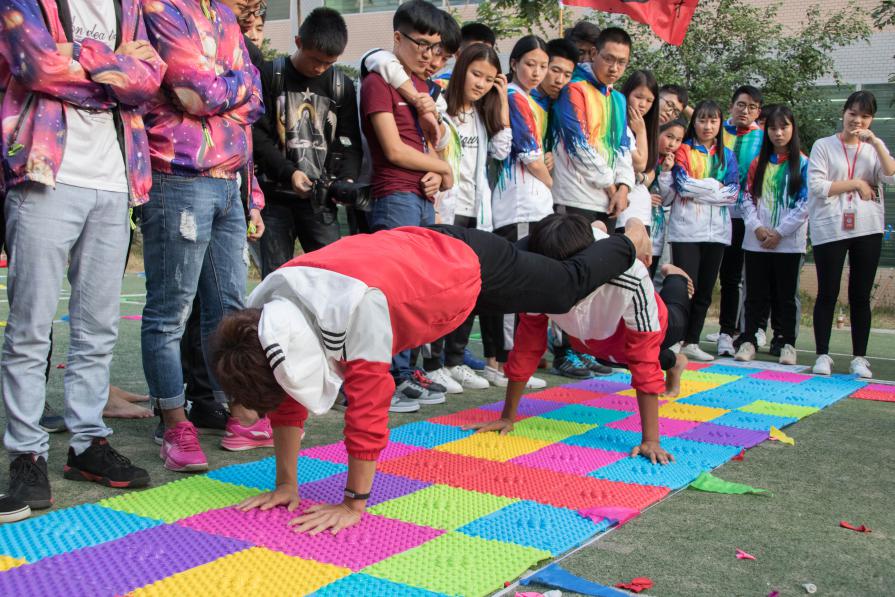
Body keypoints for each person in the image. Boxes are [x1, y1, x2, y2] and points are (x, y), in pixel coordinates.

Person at [212, 222, 650, 535]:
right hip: (424, 256)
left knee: (563, 288)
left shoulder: (359, 307)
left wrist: (352, 504)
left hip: (470, 265)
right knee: (538, 270)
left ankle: (627, 238)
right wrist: (286, 485)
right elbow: (287, 389)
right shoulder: (269, 307)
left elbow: (368, 411)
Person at [0, 0, 164, 510]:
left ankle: (87, 443)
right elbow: (35, 67)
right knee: (30, 328)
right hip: (45, 172)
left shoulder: (130, 6)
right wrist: (116, 64)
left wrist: (76, 56)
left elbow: (150, 82)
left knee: (99, 328)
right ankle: (27, 454)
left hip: (114, 180)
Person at [142, 0, 269, 471]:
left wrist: (251, 193)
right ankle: (174, 423)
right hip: (178, 176)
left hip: (229, 181)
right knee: (170, 311)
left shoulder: (225, 17)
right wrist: (235, 85)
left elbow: (255, 101)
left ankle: (240, 412)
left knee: (230, 309)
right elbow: (195, 92)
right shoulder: (159, 8)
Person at [468, 214, 694, 466]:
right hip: (591, 339)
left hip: (655, 325)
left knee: (674, 323)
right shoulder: (536, 277)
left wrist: (650, 440)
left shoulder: (630, 276)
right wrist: (507, 417)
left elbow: (644, 356)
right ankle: (674, 362)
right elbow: (527, 345)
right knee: (609, 357)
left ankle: (675, 276)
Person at [360, 0, 455, 410]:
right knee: (392, 292)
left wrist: (438, 171)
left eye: (436, 48)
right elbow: (394, 150)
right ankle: (386, 379)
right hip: (394, 196)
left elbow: (433, 149)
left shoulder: (425, 90)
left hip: (422, 198)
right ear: (398, 38)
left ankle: (405, 371)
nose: (429, 55)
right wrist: (441, 168)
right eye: (422, 45)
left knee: (418, 291)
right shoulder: (377, 82)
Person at [418, 44, 512, 393]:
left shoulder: (483, 113)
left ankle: (454, 360)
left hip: (476, 213)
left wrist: (501, 102)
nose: (481, 84)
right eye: (476, 74)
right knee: (440, 291)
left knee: (468, 291)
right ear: (461, 70)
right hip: (447, 209)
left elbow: (501, 150)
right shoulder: (440, 103)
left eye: (489, 79)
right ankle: (432, 364)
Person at [253, 8, 362, 277]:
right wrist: (289, 173)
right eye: (315, 60)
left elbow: (349, 143)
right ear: (299, 42)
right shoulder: (270, 74)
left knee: (332, 275)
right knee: (277, 277)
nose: (320, 68)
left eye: (329, 62)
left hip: (320, 200)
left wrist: (346, 179)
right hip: (274, 197)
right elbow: (257, 137)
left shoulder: (341, 85)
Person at [808, 91, 895, 378]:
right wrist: (857, 183)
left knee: (860, 295)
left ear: (871, 120)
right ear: (843, 113)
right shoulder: (823, 145)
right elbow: (818, 186)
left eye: (865, 116)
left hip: (867, 228)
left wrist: (877, 142)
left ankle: (859, 357)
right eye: (853, 113)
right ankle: (823, 354)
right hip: (830, 227)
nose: (857, 120)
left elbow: (891, 175)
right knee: (827, 292)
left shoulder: (873, 148)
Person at [485, 35, 551, 388]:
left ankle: (511, 361)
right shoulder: (513, 97)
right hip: (519, 205)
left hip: (528, 205)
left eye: (543, 66)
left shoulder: (528, 99)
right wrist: (552, 183)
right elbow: (529, 155)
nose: (537, 72)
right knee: (515, 285)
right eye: (530, 64)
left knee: (522, 285)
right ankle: (508, 363)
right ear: (514, 64)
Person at [660, 100, 739, 362]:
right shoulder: (683, 150)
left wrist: (701, 188)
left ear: (720, 124)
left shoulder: (727, 155)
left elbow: (733, 194)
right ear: (694, 123)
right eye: (702, 120)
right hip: (686, 231)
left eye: (713, 121)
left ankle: (692, 340)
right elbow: (682, 185)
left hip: (717, 233)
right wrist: (715, 186)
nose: (707, 126)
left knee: (704, 291)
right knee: (684, 289)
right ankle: (674, 339)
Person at [734, 105, 808, 366]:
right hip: (756, 242)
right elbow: (745, 197)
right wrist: (757, 227)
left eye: (784, 127)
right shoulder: (758, 163)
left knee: (786, 296)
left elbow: (806, 204)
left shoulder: (803, 163)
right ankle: (748, 340)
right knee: (754, 295)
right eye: (773, 128)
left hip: (789, 244)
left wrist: (779, 232)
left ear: (793, 129)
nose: (778, 133)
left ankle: (787, 343)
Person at [552, 27, 634, 229]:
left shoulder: (618, 99)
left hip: (609, 202)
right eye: (608, 59)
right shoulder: (573, 88)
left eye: (621, 62)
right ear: (595, 53)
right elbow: (577, 145)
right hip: (575, 197)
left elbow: (623, 148)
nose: (614, 68)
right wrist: (612, 187)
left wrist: (624, 187)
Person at [716, 85, 764, 357]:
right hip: (711, 212)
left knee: (734, 277)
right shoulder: (716, 129)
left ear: (758, 112)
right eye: (741, 105)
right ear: (731, 105)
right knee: (707, 275)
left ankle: (730, 332)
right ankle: (689, 334)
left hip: (743, 216)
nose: (746, 111)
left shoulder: (762, 138)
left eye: (752, 107)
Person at [616, 70, 660, 234]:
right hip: (620, 207)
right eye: (638, 97)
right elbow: (640, 163)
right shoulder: (618, 123)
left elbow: (649, 171)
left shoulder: (648, 129)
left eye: (649, 100)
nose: (643, 105)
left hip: (641, 208)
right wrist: (640, 133)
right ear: (627, 94)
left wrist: (642, 178)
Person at [650, 119, 687, 280]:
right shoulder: (644, 154)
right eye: (669, 136)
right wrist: (644, 197)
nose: (672, 144)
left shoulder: (671, 163)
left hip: (656, 232)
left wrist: (666, 171)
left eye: (678, 140)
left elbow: (665, 200)